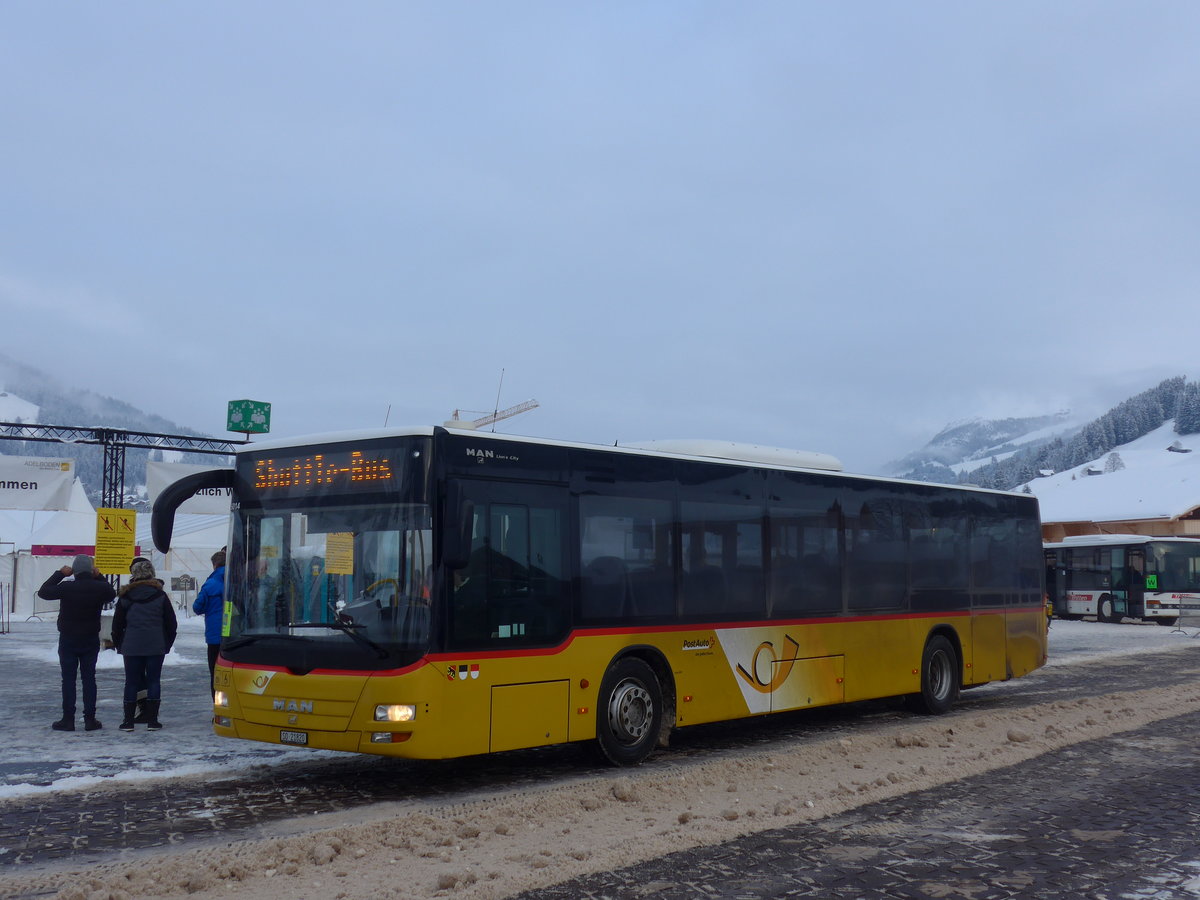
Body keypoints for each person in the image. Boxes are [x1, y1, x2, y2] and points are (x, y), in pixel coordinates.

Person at [37, 554, 116, 732]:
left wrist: (59, 574)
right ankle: (90, 719)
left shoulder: (66, 587)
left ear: (74, 570)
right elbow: (111, 593)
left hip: (68, 638)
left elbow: (43, 592)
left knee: (68, 679)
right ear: (91, 570)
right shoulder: (99, 588)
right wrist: (99, 576)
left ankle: (68, 719)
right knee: (89, 678)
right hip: (89, 638)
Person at [112, 559, 177, 732]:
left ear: (134, 574)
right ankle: (152, 721)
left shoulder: (125, 596)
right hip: (156, 645)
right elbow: (171, 623)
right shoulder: (160, 596)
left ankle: (128, 721)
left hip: (131, 646)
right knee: (154, 680)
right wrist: (167, 644)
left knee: (131, 682)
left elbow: (117, 624)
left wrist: (120, 644)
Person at [192, 549, 226, 696]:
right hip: (238, 635)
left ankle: (217, 706)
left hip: (215, 635)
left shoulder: (211, 584)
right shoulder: (239, 580)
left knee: (215, 672)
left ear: (214, 565)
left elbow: (197, 607)